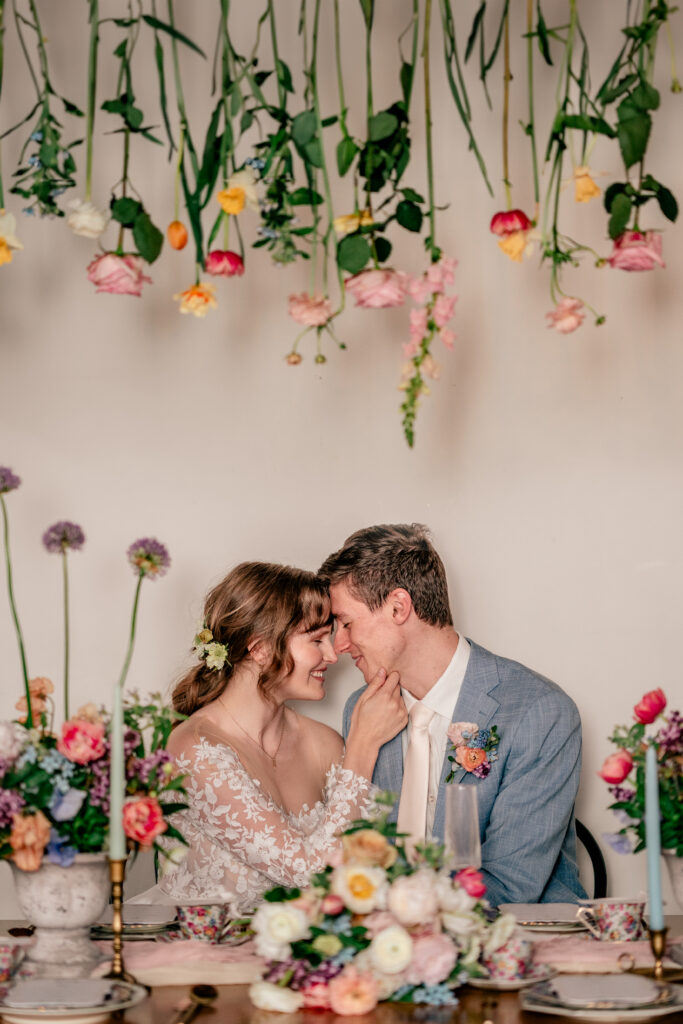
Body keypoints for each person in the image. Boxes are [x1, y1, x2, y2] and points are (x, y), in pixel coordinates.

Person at [318, 524, 586, 907]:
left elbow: (510, 886)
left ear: (398, 607)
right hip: (391, 949)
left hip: (519, 941)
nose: (339, 645)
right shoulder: (362, 708)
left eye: (345, 623)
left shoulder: (538, 711)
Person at [137, 562, 407, 911]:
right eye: (316, 639)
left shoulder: (324, 743)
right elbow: (307, 872)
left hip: (307, 956)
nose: (333, 654)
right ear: (260, 648)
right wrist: (363, 745)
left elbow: (365, 865)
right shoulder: (196, 748)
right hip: (211, 956)